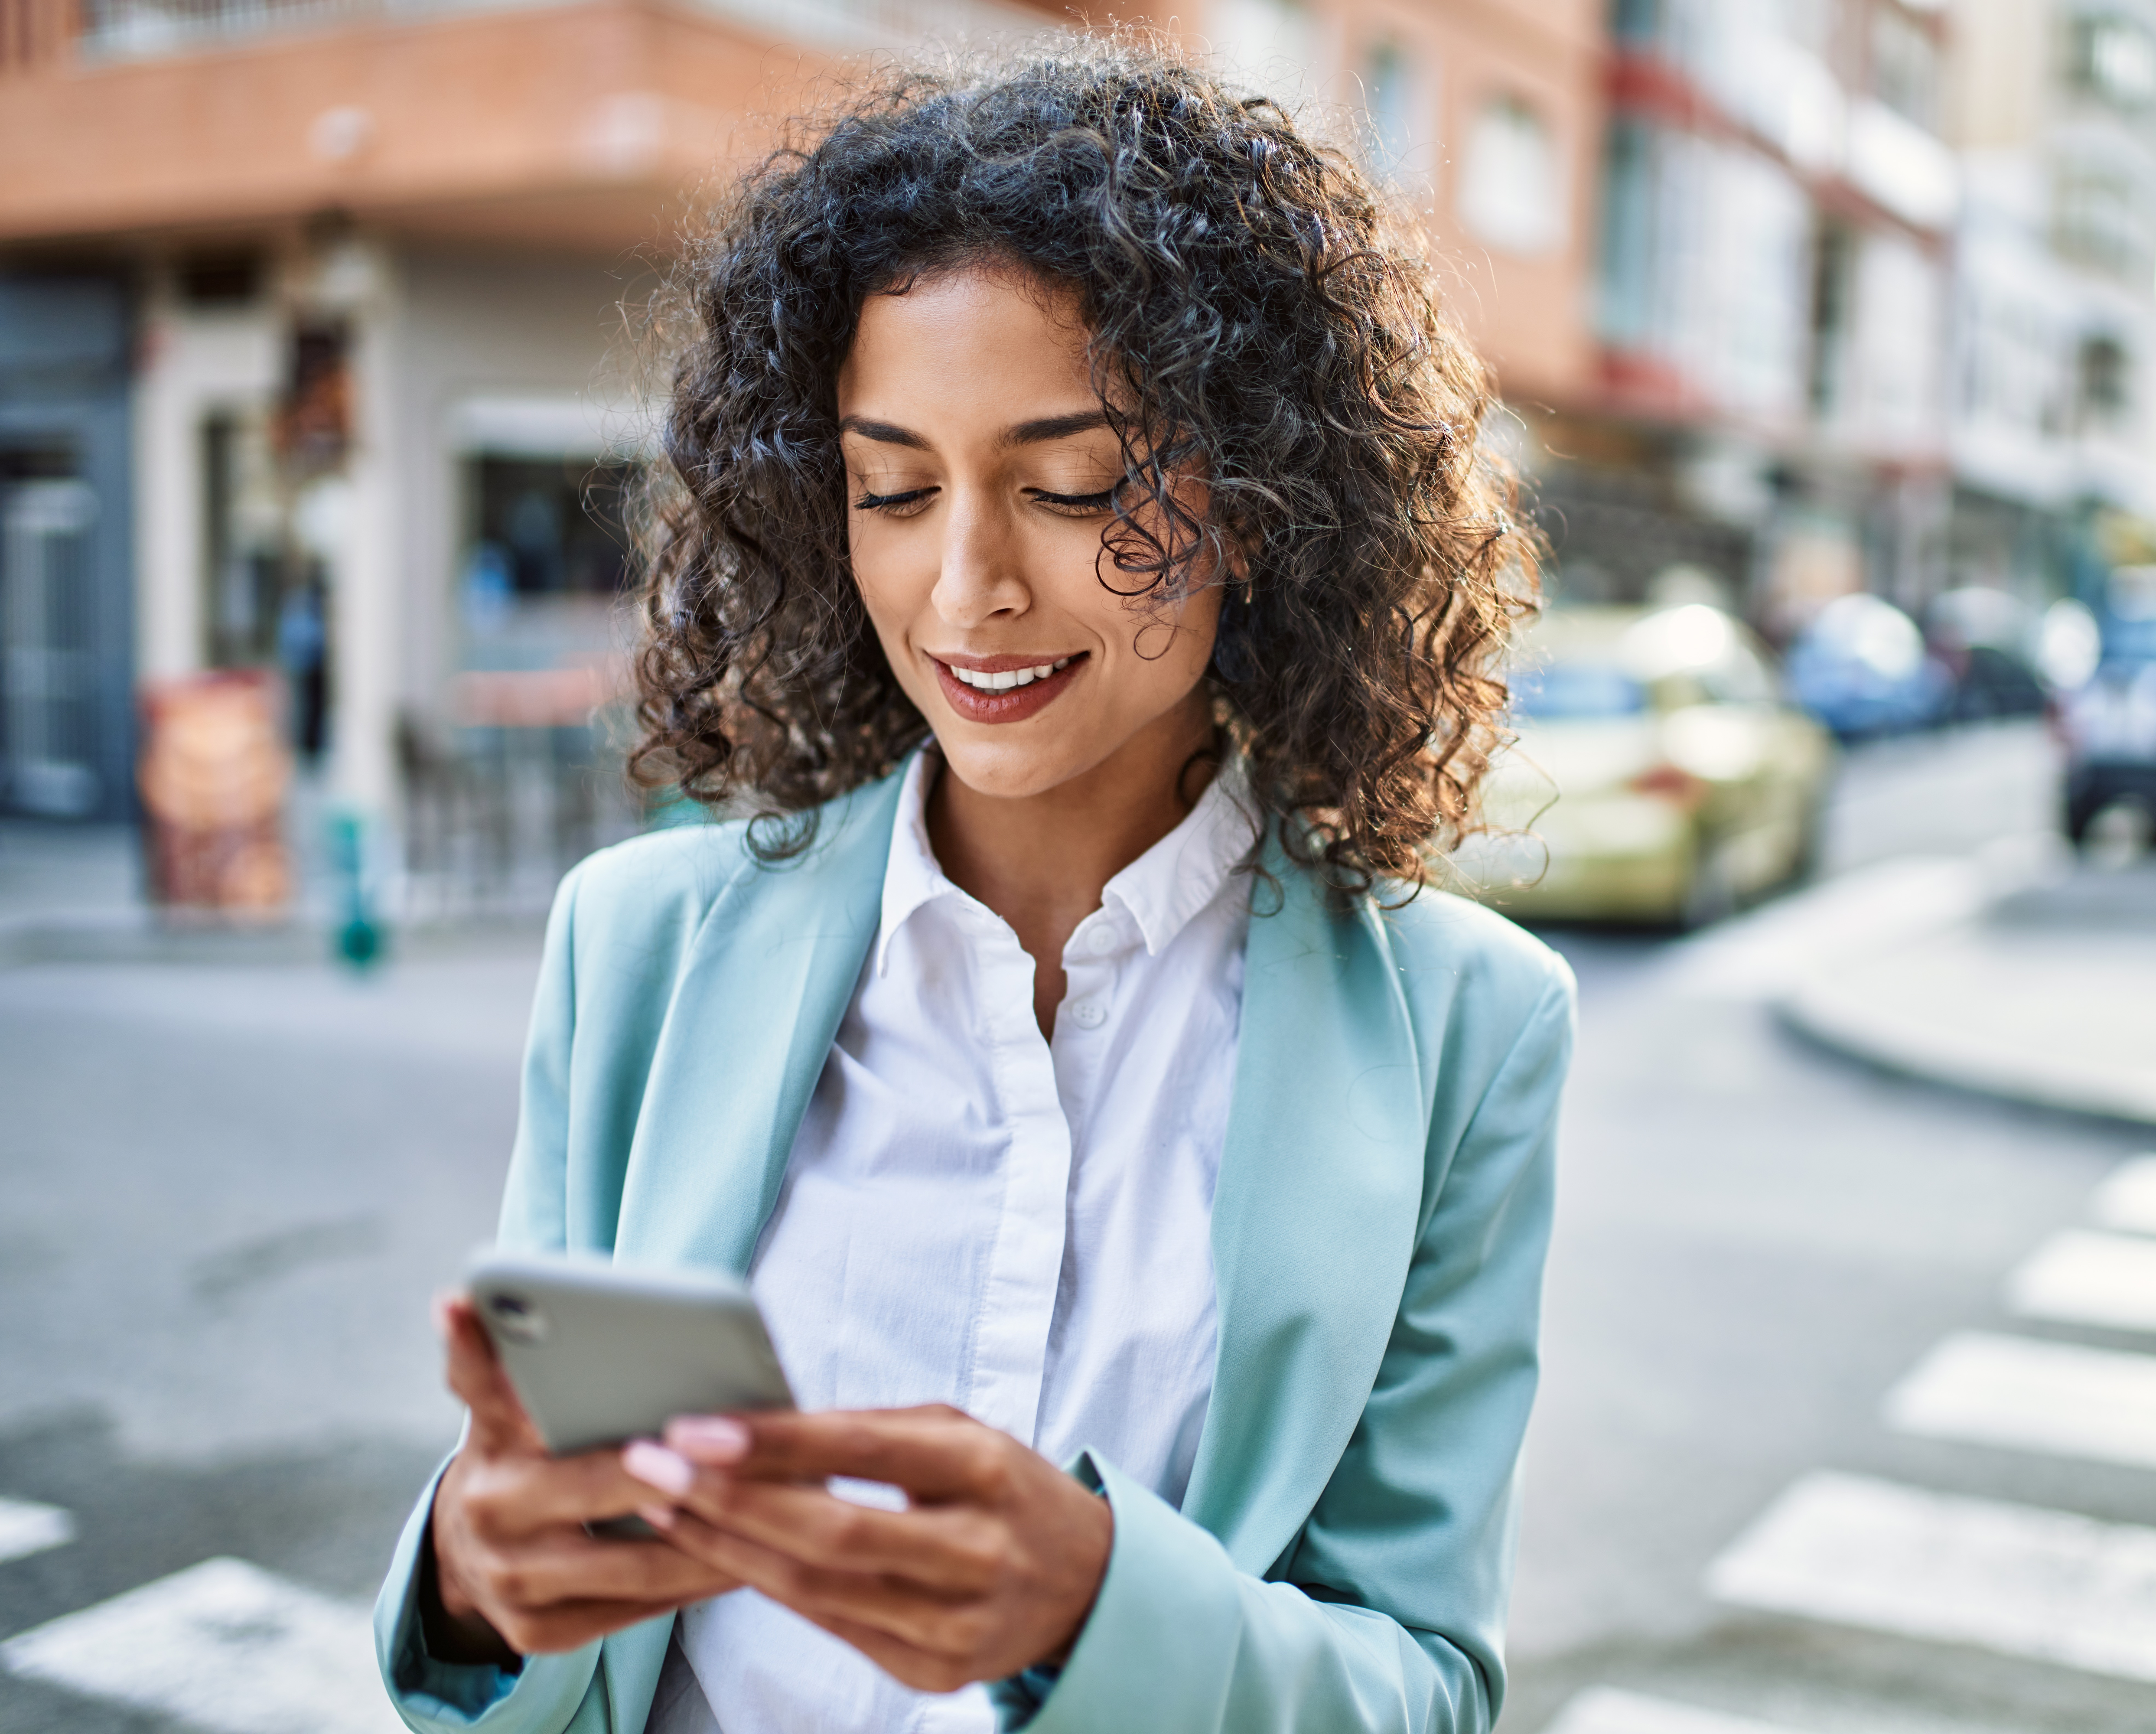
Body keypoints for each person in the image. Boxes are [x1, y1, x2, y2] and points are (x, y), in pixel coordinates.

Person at [374, 42, 1574, 1734]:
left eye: (1072, 484)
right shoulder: (638, 946)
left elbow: (1423, 1679)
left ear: (1257, 496)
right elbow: (532, 1610)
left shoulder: (1468, 1030)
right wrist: (476, 1579)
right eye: (894, 487)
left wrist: (1102, 1612)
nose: (964, 587)